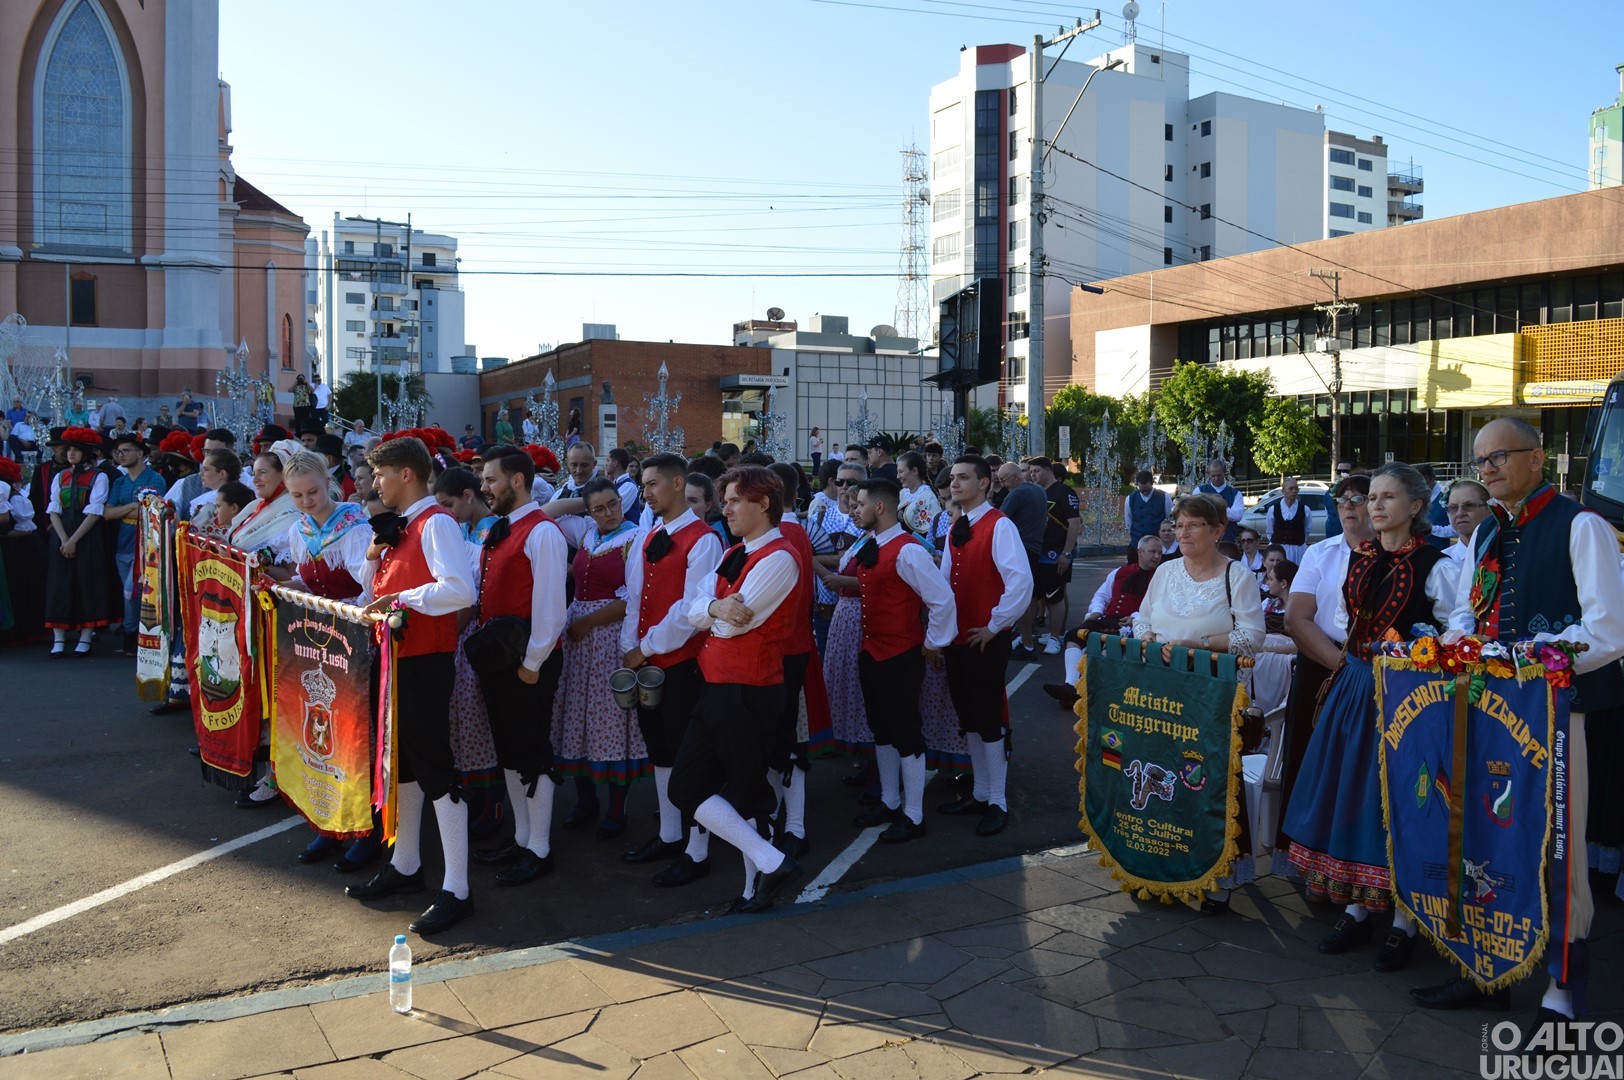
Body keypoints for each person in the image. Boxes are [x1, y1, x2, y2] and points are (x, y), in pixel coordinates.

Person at [1412, 420, 1624, 1030]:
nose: (1488, 468)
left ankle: (1562, 989)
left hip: (1560, 713)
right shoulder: (1484, 535)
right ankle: (1487, 969)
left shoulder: (1581, 525)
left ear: (1538, 457)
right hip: (1486, 706)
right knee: (1485, 833)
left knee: (1557, 843)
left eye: (1499, 456)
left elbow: (1608, 630)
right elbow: (1465, 612)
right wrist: (1455, 644)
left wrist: (1524, 655)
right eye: (1480, 461)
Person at [1283, 463, 1453, 972]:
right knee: (1356, 790)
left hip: (1412, 693)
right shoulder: (1358, 558)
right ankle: (1358, 906)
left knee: (1402, 796)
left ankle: (1405, 920)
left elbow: (1456, 630)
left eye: (1387, 497)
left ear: (1416, 507)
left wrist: (1424, 656)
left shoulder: (1437, 564)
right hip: (1357, 685)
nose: (1374, 506)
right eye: (1371, 497)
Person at [347, 435, 479, 936]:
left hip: (426, 661)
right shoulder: (399, 528)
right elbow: (370, 594)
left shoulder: (437, 522)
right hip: (396, 660)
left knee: (435, 766)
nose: (373, 483)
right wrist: (373, 558)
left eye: (380, 474)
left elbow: (459, 590)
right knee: (400, 764)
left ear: (406, 474)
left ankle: (458, 889)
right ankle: (405, 865)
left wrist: (403, 594)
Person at [675, 466, 804, 913]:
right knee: (686, 786)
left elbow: (733, 629)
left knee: (747, 792)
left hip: (750, 689)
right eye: (724, 499)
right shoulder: (737, 552)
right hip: (718, 686)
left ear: (763, 504)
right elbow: (690, 610)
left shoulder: (779, 557)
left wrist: (711, 610)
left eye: (733, 500)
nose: (723, 507)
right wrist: (714, 605)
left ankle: (753, 890)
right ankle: (773, 862)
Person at [1132, 493, 1265, 912]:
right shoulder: (1166, 572)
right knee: (1163, 776)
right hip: (1165, 695)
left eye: (1193, 525)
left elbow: (1252, 637)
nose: (1182, 532)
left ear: (1217, 531)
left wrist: (1199, 646)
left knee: (1212, 781)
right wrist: (1150, 640)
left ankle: (1217, 877)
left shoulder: (1237, 575)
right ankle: (1164, 868)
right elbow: (1141, 618)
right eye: (1179, 524)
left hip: (1215, 698)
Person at [463, 446, 570, 892]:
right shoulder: (503, 527)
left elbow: (551, 606)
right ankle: (523, 838)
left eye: (490, 480)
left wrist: (532, 663)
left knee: (531, 752)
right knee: (509, 751)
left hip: (528, 661)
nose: (483, 487)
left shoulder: (543, 532)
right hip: (501, 659)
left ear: (517, 481)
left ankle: (540, 849)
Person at [618, 453, 725, 884]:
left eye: (652, 484)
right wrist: (629, 647)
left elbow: (688, 611)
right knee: (660, 751)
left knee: (689, 757)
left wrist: (643, 648)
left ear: (678, 484)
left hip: (682, 665)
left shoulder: (703, 540)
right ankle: (669, 834)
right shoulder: (647, 537)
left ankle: (698, 852)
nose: (646, 493)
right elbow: (634, 598)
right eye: (643, 485)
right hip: (648, 663)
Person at [269, 450, 378, 865]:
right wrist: (283, 588)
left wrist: (339, 614)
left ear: (328, 482)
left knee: (354, 735)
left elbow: (368, 588)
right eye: (297, 496)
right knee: (318, 735)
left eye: (313, 492)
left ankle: (364, 828)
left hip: (352, 640)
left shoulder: (354, 527)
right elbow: (306, 578)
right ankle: (327, 822)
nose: (307, 501)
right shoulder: (300, 530)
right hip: (315, 642)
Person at [848, 478, 956, 844]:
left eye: (860, 503)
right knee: (882, 730)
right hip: (872, 651)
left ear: (880, 507)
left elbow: (941, 600)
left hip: (899, 655)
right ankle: (890, 801)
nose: (854, 509)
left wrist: (931, 643)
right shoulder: (874, 544)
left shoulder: (908, 550)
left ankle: (914, 815)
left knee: (906, 732)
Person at [939, 455, 1034, 837]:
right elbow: (945, 585)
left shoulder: (1001, 526)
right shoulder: (957, 526)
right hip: (959, 638)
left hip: (983, 638)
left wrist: (994, 627)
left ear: (984, 483)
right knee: (971, 719)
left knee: (989, 719)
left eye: (964, 478)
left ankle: (998, 800)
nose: (955, 483)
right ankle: (980, 792)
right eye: (953, 478)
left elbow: (1020, 584)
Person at [553, 476, 646, 838]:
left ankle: (617, 807)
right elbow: (548, 513)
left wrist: (588, 622)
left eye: (613, 504)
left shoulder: (636, 537)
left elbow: (634, 599)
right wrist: (580, 502)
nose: (608, 513)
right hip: (579, 638)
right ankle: (585, 799)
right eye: (599, 508)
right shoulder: (588, 533)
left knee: (610, 718)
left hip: (609, 636)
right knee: (577, 715)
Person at [1043, 534, 1164, 710]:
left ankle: (1083, 690)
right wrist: (1095, 612)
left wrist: (1136, 618)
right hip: (1107, 619)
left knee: (1108, 645)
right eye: (1152, 551)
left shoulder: (1161, 580)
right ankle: (1070, 684)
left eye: (1160, 553)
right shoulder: (1119, 572)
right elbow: (1102, 595)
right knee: (1073, 635)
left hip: (1133, 626)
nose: (1157, 556)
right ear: (1140, 552)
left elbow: (1160, 607)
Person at [44, 427, 116, 656]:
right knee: (59, 584)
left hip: (87, 535)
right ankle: (59, 638)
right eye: (69, 449)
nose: (71, 453)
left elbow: (94, 512)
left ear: (87, 452)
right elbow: (53, 510)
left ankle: (85, 636)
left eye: (76, 449)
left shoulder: (99, 476)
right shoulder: (60, 476)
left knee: (87, 582)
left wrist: (74, 540)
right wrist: (64, 539)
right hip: (62, 532)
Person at [101, 433, 167, 655]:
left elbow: (152, 509)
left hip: (146, 543)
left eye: (126, 451)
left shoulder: (154, 479)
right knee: (128, 592)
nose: (121, 455)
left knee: (133, 591)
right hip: (123, 542)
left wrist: (127, 509)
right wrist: (133, 506)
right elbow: (108, 513)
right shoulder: (119, 482)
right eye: (118, 452)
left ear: (140, 453)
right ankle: (135, 635)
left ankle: (133, 635)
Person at [993, 461, 1045, 656]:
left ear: (1015, 477)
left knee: (1019, 598)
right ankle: (1027, 638)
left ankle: (1027, 643)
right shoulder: (1039, 491)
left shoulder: (1018, 493)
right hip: (1035, 548)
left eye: (1003, 480)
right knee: (1029, 597)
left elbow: (997, 520)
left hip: (1020, 549)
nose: (1003, 485)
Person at [1029, 458, 1080, 656]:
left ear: (1049, 470)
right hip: (1036, 553)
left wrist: (1066, 553)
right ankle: (1029, 634)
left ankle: (1054, 637)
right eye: (1031, 471)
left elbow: (1074, 523)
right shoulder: (1035, 492)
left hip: (1055, 554)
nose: (1033, 475)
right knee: (1033, 596)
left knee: (1055, 596)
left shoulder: (1064, 492)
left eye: (1036, 471)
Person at [226, 444, 302, 567]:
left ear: (284, 475)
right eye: (254, 473)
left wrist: (245, 560)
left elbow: (290, 574)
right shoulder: (255, 506)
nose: (254, 479)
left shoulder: (293, 516)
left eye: (262, 473)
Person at [1439, 478, 1490, 567]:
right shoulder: (1442, 563)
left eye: (1469, 505)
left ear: (1489, 509)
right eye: (1453, 507)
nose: (1459, 514)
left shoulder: (1506, 554)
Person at [1123, 471, 1172, 554]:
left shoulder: (1164, 497)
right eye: (1142, 490)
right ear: (1137, 485)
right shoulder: (1130, 499)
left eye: (1147, 489)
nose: (1145, 492)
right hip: (1137, 544)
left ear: (1152, 483)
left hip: (1159, 543)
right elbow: (1129, 521)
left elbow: (1169, 519)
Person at [1197, 460, 1245, 543]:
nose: (1216, 478)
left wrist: (1211, 509)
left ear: (1225, 473)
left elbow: (1237, 516)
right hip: (1205, 538)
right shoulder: (1199, 491)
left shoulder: (1236, 494)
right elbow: (1195, 514)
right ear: (1208, 475)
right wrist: (1224, 511)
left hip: (1228, 539)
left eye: (1219, 475)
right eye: (1213, 476)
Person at [896, 450, 939, 539]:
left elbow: (932, 532)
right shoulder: (903, 493)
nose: (898, 476)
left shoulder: (928, 497)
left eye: (901, 471)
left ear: (914, 471)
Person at [1267, 477, 1311, 563]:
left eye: (1296, 489)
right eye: (1291, 488)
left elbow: (1307, 530)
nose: (1294, 491)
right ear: (1283, 491)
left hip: (1298, 550)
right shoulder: (1273, 509)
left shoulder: (1305, 509)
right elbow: (1270, 531)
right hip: (1278, 550)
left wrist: (1298, 541)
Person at [1415, 463, 1455, 550]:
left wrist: (1431, 529)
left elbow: (1455, 531)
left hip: (1440, 552)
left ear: (1433, 478)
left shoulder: (1447, 496)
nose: (1422, 486)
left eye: (1425, 481)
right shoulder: (1416, 496)